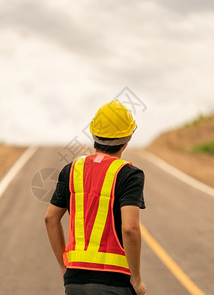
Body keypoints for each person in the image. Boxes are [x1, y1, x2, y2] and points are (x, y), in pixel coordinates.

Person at [45, 100, 146, 295]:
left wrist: (64, 267)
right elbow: (130, 229)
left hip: (75, 282)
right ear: (127, 140)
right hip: (115, 284)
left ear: (93, 135)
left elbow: (50, 218)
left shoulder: (71, 170)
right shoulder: (129, 174)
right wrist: (137, 280)